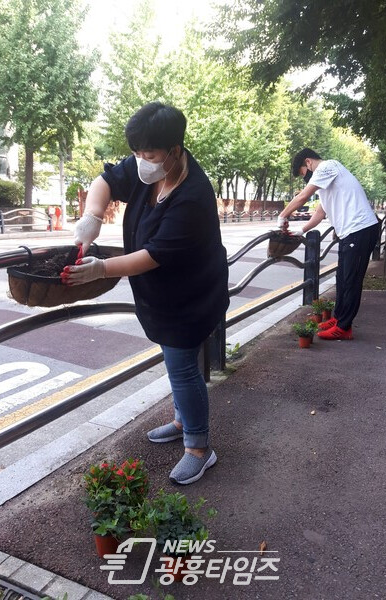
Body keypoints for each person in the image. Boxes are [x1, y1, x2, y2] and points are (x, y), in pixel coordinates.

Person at [62, 102, 229, 484]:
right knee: (175, 362)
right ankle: (180, 419)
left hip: (192, 295)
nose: (140, 161)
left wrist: (101, 268)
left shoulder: (193, 195)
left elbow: (153, 255)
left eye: (148, 154)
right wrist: (92, 215)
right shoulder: (147, 168)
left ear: (175, 149)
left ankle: (199, 448)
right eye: (137, 153)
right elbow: (105, 181)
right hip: (160, 296)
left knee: (183, 367)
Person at [278, 148, 379, 341]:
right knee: (342, 279)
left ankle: (344, 327)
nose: (305, 179)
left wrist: (283, 215)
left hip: (359, 230)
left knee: (351, 281)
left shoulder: (327, 167)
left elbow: (302, 197)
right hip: (350, 233)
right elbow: (320, 213)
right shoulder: (326, 182)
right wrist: (302, 230)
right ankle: (339, 318)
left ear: (308, 162)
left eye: (303, 174)